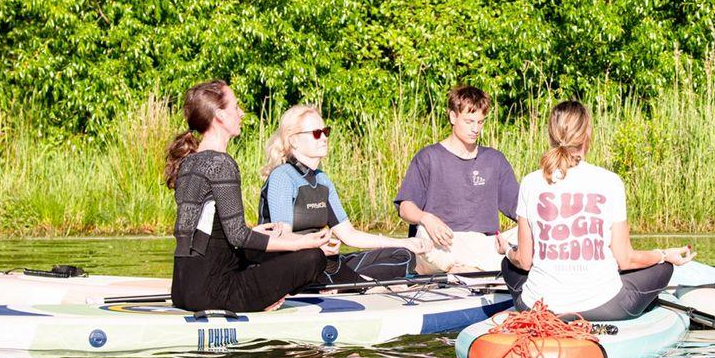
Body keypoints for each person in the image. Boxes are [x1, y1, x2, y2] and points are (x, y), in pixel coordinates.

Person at [502, 100, 694, 320]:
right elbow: (626, 260)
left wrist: (507, 249)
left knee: (508, 264)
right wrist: (663, 254)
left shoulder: (530, 182)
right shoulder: (610, 181)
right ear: (587, 135)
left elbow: (524, 260)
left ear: (550, 135)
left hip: (537, 307)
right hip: (604, 307)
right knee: (663, 268)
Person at [164, 81, 336, 313]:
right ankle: (268, 299)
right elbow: (238, 236)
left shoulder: (189, 162)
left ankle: (267, 291)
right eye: (236, 107)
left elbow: (205, 235)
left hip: (183, 289)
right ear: (220, 115)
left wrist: (257, 233)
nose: (241, 113)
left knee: (274, 248)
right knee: (313, 257)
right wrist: (301, 242)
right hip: (214, 294)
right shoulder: (220, 163)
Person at [258, 104, 429, 284]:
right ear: (294, 141)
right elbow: (282, 238)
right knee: (316, 260)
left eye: (326, 131)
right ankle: (357, 283)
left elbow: (349, 234)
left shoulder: (322, 180)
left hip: (323, 262)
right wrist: (316, 245)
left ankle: (352, 282)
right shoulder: (282, 176)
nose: (324, 138)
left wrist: (402, 242)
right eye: (316, 133)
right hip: (293, 265)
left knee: (403, 255)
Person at [395, 86, 519, 273]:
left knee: (529, 233)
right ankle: (470, 270)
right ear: (453, 117)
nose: (475, 129)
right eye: (469, 121)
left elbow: (521, 210)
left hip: (484, 246)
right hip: (443, 245)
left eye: (480, 122)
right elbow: (405, 208)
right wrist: (426, 218)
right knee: (422, 234)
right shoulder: (428, 157)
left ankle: (464, 270)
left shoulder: (494, 159)